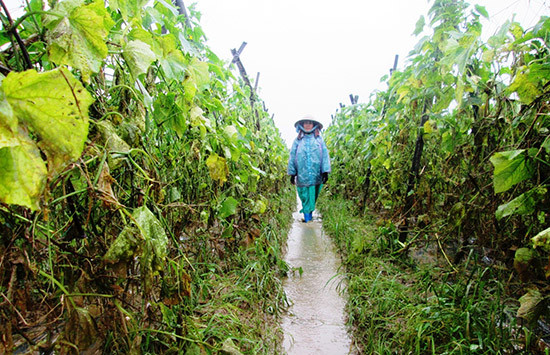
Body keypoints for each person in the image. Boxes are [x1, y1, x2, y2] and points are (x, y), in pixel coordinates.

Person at [287, 115, 331, 223]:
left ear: (313, 124)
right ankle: (307, 220)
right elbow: (293, 156)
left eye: (309, 123)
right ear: (301, 125)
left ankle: (308, 217)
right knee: (304, 196)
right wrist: (292, 174)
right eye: (305, 123)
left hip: (316, 175)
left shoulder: (319, 139)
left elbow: (324, 155)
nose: (307, 125)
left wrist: (325, 172)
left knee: (313, 197)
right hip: (302, 175)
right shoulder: (298, 140)